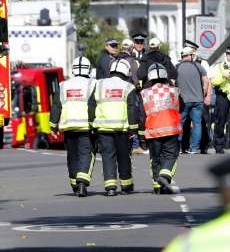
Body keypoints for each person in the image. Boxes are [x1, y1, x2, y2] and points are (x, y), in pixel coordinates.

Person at [88, 58, 141, 196]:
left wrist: (92, 124)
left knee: (108, 156)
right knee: (124, 157)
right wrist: (133, 128)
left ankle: (110, 187)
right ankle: (126, 186)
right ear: (125, 72)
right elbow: (132, 109)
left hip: (103, 128)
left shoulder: (98, 84)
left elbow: (91, 105)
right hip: (122, 129)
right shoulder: (128, 87)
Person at [49, 56, 97, 197]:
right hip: (85, 125)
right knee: (86, 154)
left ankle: (75, 185)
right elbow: (94, 106)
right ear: (88, 69)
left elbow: (56, 106)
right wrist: (95, 124)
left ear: (73, 70)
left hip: (68, 126)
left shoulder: (63, 85)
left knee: (73, 156)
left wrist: (53, 126)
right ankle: (82, 183)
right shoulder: (93, 84)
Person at [139, 63, 182, 194]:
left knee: (155, 158)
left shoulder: (145, 93)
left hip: (153, 130)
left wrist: (141, 136)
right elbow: (183, 107)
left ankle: (157, 186)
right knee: (170, 155)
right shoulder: (174, 90)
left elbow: (141, 115)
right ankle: (164, 176)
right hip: (171, 129)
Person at [176, 46, 211, 154]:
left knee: (180, 123)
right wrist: (203, 93)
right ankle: (195, 148)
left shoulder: (177, 67)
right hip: (198, 100)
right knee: (197, 124)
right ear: (191, 55)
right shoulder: (199, 66)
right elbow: (206, 81)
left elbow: (172, 83)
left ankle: (179, 147)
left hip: (184, 101)